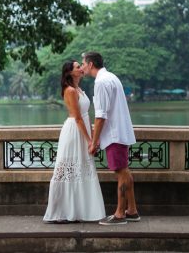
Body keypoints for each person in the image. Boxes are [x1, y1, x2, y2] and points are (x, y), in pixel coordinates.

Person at [43, 60, 106, 223]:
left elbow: (86, 117)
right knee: (68, 171)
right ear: (70, 72)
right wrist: (90, 141)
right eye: (78, 67)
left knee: (83, 170)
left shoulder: (79, 89)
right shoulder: (70, 90)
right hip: (74, 132)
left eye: (80, 65)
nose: (81, 68)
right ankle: (61, 212)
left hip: (83, 129)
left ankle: (79, 211)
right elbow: (77, 118)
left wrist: (93, 136)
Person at [81, 52, 140, 226]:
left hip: (114, 134)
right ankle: (132, 210)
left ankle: (120, 213)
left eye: (83, 63)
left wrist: (94, 141)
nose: (82, 66)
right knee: (124, 170)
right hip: (119, 132)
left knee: (121, 172)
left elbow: (100, 116)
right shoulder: (111, 77)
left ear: (91, 64)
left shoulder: (101, 82)